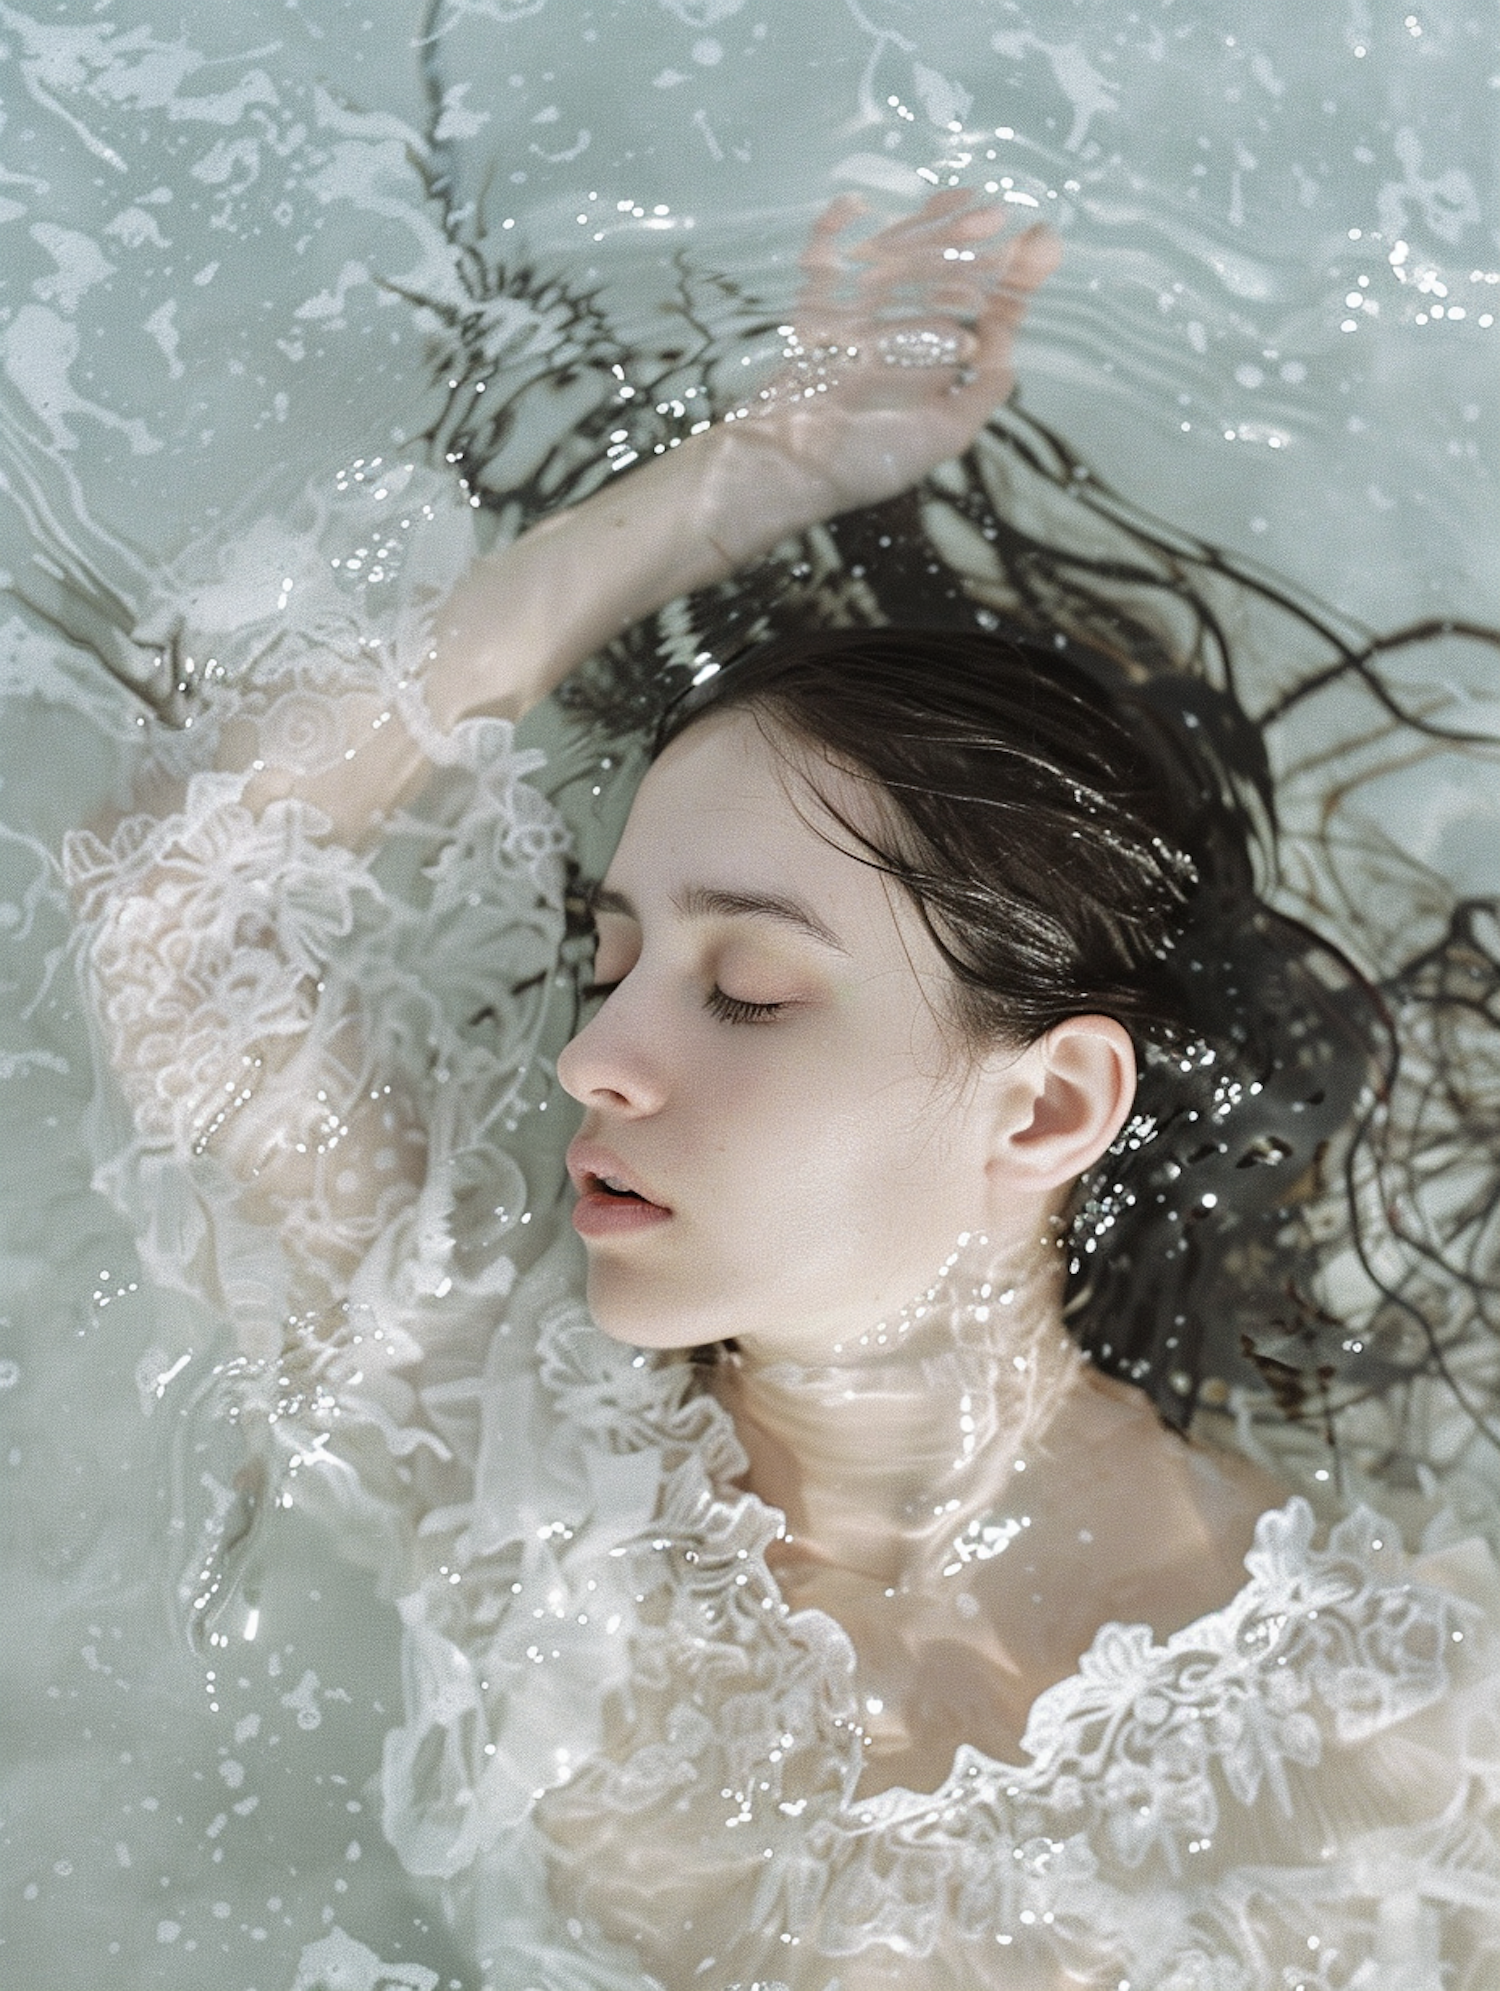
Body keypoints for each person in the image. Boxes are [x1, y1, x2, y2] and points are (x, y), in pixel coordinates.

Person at [63, 192, 1500, 1988]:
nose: (595, 1055)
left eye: (744, 990)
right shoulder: (539, 1473)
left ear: (1045, 1110)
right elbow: (174, 912)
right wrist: (747, 476)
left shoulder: (1393, 1714)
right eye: (612, 962)